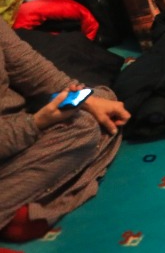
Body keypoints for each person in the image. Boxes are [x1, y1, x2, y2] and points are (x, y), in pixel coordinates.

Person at [0, 19, 128, 243]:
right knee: (84, 129)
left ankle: (22, 199)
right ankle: (24, 205)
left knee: (103, 99)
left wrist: (87, 99)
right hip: (12, 136)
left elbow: (28, 66)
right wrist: (35, 123)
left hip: (20, 124)